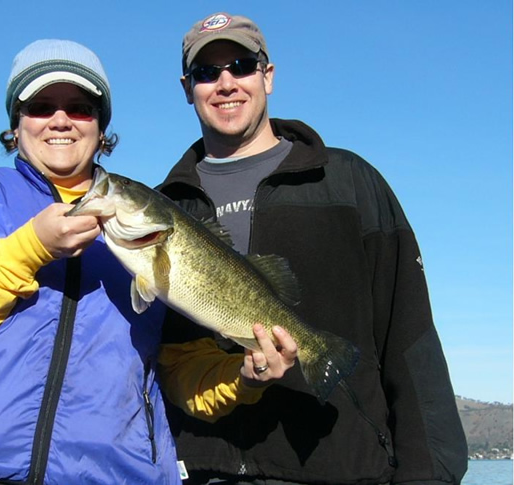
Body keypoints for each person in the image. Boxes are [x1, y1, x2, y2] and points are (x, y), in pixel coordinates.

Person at [156, 12, 468, 485]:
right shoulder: (165, 209)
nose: (225, 83)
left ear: (268, 75)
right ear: (187, 88)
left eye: (241, 65)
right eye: (206, 73)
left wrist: (431, 473)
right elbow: (165, 363)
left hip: (340, 470)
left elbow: (409, 337)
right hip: (203, 472)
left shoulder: (347, 183)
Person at [0, 39, 183, 485]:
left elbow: (182, 364)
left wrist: (244, 379)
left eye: (81, 108)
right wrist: (32, 247)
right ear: (16, 125)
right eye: (41, 106)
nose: (61, 120)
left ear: (101, 127)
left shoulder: (152, 214)